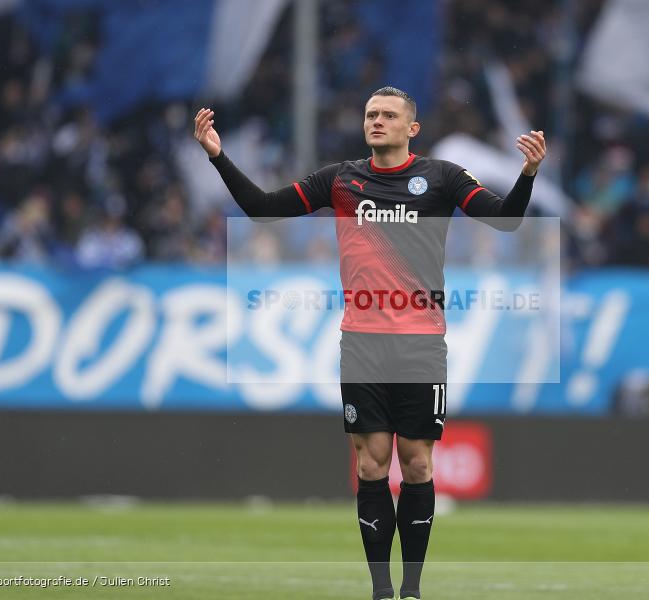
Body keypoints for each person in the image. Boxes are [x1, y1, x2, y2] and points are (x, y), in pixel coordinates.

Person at [194, 86, 545, 600]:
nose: (376, 121)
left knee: (419, 462)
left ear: (412, 128)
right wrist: (218, 157)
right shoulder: (341, 179)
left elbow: (506, 218)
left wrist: (528, 175)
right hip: (361, 342)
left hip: (422, 343)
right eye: (370, 114)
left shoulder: (442, 177)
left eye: (388, 115)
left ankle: (412, 588)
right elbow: (263, 209)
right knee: (371, 462)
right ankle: (381, 589)